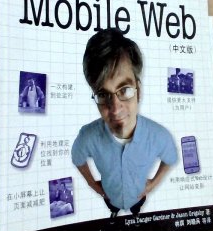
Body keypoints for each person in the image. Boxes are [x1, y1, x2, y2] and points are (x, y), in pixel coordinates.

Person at [71, 28, 177, 220]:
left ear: (139, 90)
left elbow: (170, 158)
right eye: (103, 94)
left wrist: (152, 185)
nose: (115, 108)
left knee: (136, 211)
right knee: (113, 209)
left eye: (124, 89)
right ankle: (114, 212)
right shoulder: (87, 136)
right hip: (110, 197)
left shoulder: (159, 135)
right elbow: (77, 158)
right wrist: (92, 185)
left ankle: (135, 215)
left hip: (138, 198)